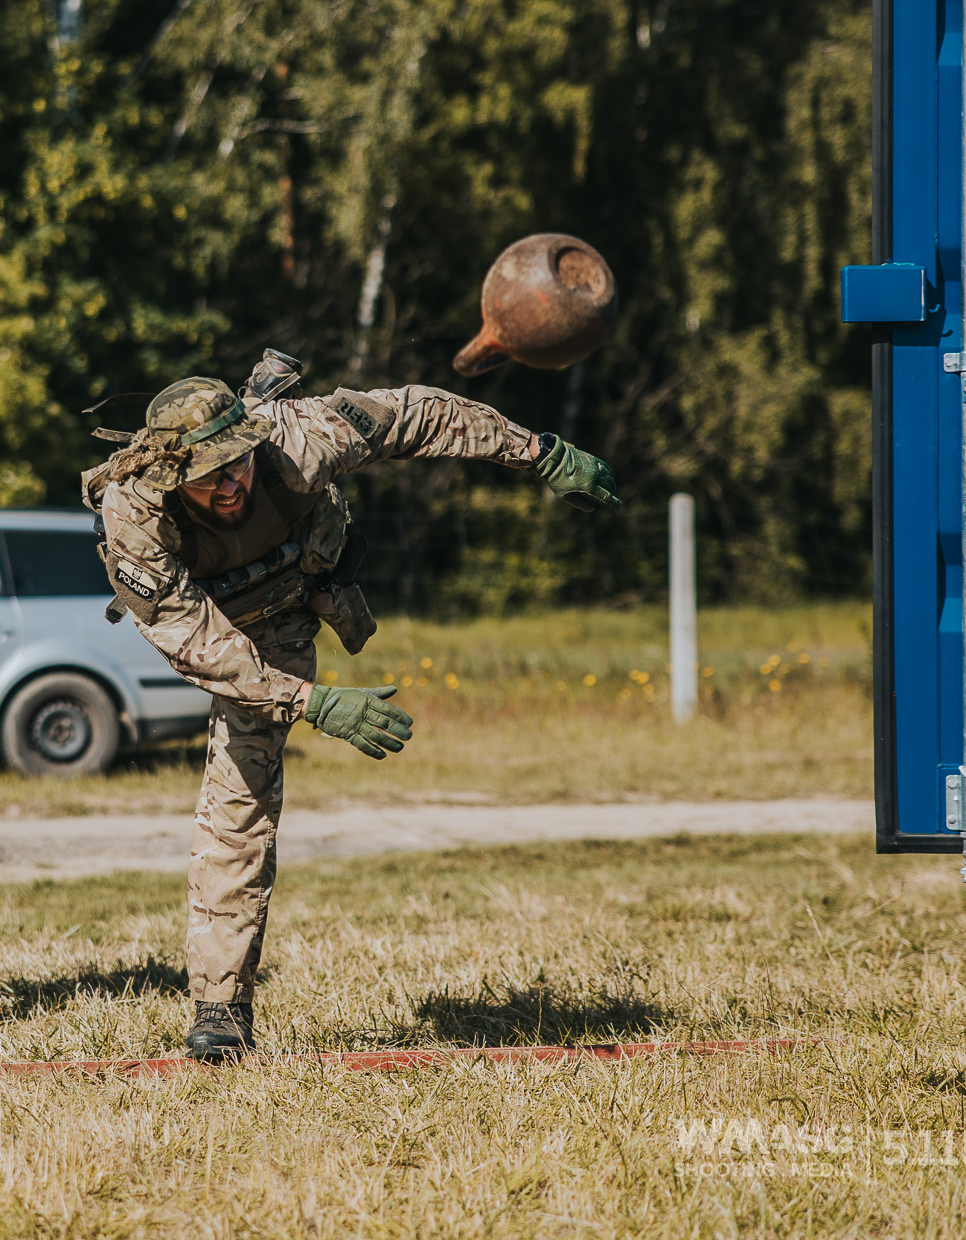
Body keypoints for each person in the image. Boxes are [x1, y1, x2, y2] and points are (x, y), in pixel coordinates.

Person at [85, 365, 620, 1061]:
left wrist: (537, 449)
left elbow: (417, 414)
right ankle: (220, 1008)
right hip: (230, 629)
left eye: (238, 463)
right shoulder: (133, 510)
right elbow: (194, 642)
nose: (233, 483)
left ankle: (221, 1004)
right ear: (171, 474)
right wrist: (312, 703)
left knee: (245, 790)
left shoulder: (295, 438)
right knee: (238, 803)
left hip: (292, 597)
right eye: (210, 476)